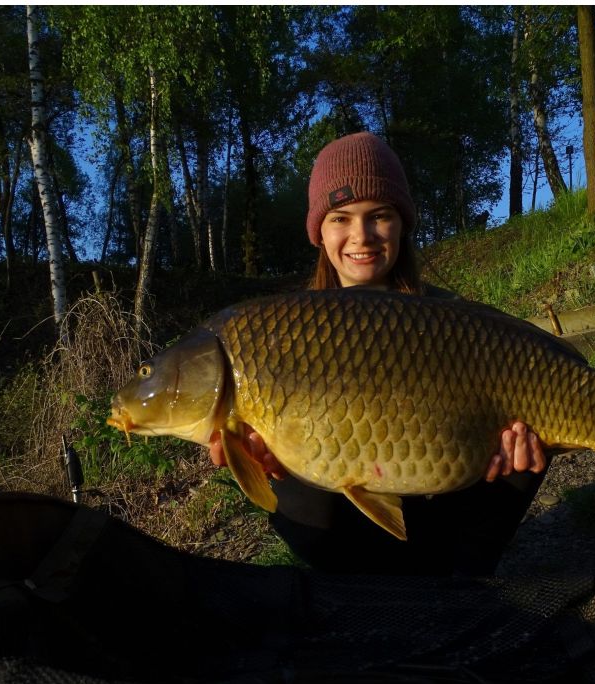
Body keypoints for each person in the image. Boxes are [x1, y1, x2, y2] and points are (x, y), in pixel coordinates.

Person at [211, 132, 549, 576]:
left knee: (526, 443)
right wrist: (273, 462)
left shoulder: (453, 321)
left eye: (379, 216)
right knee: (279, 465)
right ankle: (361, 586)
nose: (361, 236)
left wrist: (515, 457)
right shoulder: (285, 332)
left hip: (451, 503)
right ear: (319, 232)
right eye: (340, 218)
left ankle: (459, 581)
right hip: (347, 525)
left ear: (402, 222)